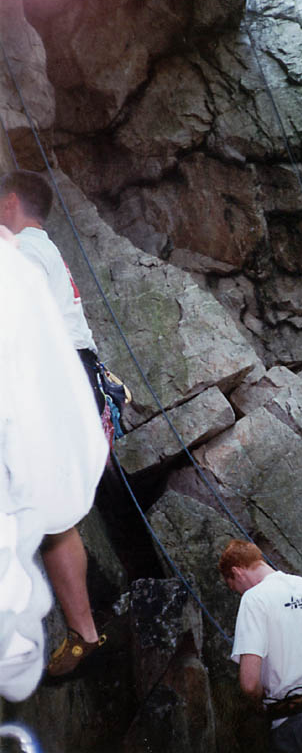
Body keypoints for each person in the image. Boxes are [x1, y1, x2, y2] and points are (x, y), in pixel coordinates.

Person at [0, 170, 107, 676]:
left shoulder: (21, 252)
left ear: (12, 201)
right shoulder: (44, 250)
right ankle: (82, 631)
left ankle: (79, 631)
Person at [219, 539, 302, 753]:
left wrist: (260, 703)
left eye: (235, 587)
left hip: (294, 725)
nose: (240, 593)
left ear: (237, 572)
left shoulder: (254, 599)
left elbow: (250, 683)